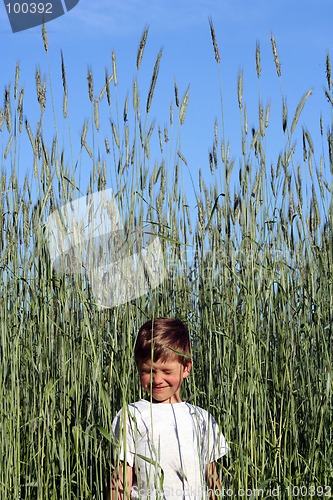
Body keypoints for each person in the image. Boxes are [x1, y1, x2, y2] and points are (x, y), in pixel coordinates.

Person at [110, 318, 229, 499]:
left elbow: (212, 477)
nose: (157, 379)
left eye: (167, 372)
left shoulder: (202, 418)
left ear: (186, 368)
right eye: (148, 371)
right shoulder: (131, 415)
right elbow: (121, 480)